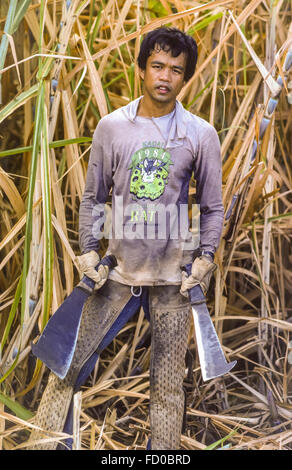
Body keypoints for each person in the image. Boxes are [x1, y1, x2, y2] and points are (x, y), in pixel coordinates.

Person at [28, 27, 223, 450]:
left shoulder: (199, 133)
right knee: (68, 365)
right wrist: (87, 252)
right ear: (141, 69)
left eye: (176, 70)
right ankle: (44, 445)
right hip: (115, 274)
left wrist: (205, 259)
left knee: (169, 388)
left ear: (185, 78)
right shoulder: (113, 128)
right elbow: (93, 196)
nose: (165, 77)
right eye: (157, 66)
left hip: (175, 280)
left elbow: (212, 207)